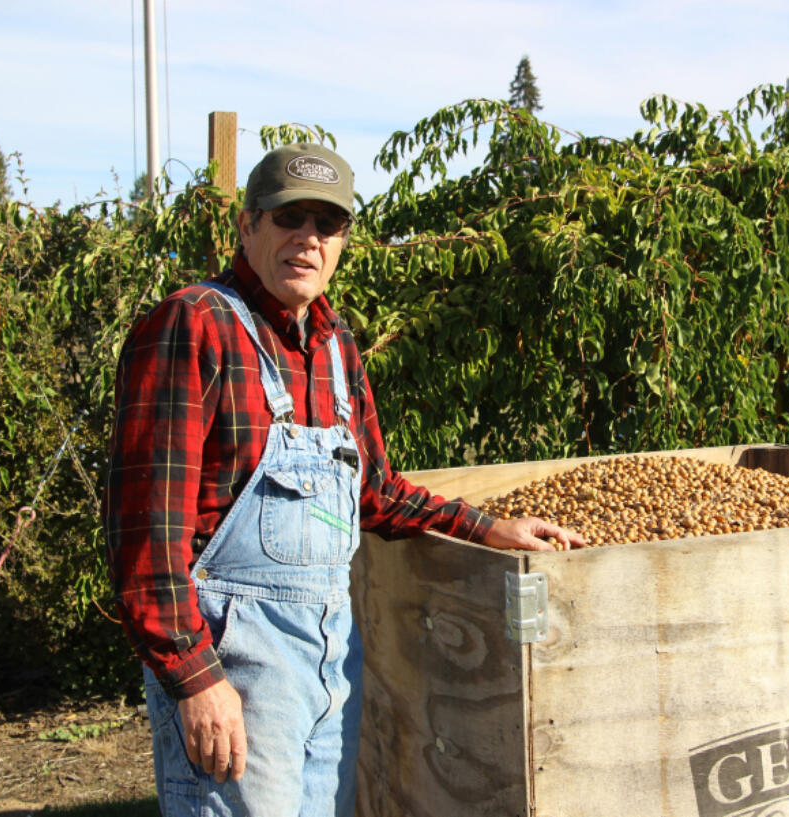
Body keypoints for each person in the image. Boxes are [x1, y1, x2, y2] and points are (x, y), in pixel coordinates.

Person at [104, 142, 584, 816]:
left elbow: (374, 493)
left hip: (332, 660)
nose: (308, 239)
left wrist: (490, 528)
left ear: (343, 242)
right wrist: (194, 679)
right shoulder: (195, 324)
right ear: (248, 226)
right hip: (238, 668)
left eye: (326, 225)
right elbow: (146, 534)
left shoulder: (334, 346)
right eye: (288, 217)